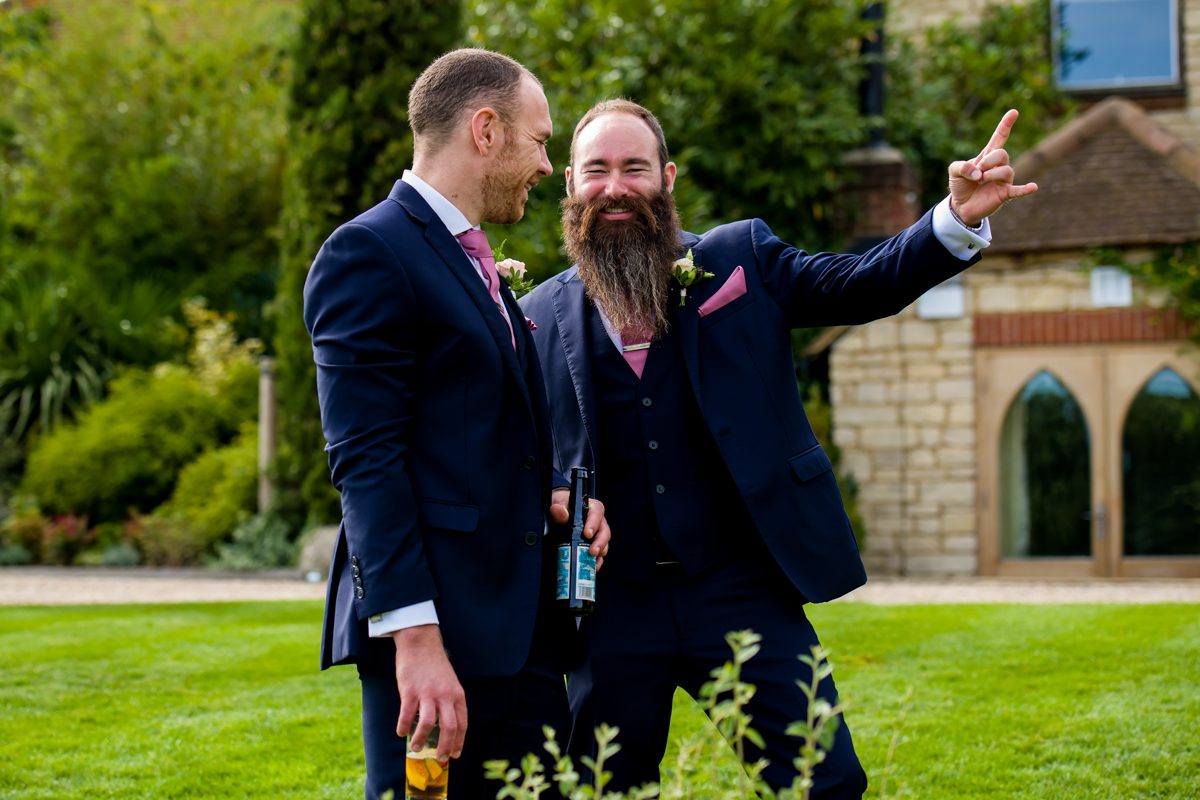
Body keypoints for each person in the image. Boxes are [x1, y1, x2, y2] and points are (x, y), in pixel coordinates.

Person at [520, 99, 1036, 797]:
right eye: (597, 170)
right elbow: (516, 447)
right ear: (572, 186)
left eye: (634, 168)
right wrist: (555, 486)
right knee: (601, 791)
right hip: (610, 603)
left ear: (667, 179)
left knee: (825, 780)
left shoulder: (740, 258)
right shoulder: (533, 316)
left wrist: (954, 220)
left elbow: (860, 283)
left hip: (739, 586)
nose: (615, 187)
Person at [303, 49, 610, 800]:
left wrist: (551, 504)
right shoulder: (369, 252)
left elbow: (462, 442)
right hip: (438, 641)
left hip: (519, 635)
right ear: (485, 130)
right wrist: (415, 638)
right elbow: (367, 463)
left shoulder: (471, 259)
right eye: (540, 142)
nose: (547, 166)